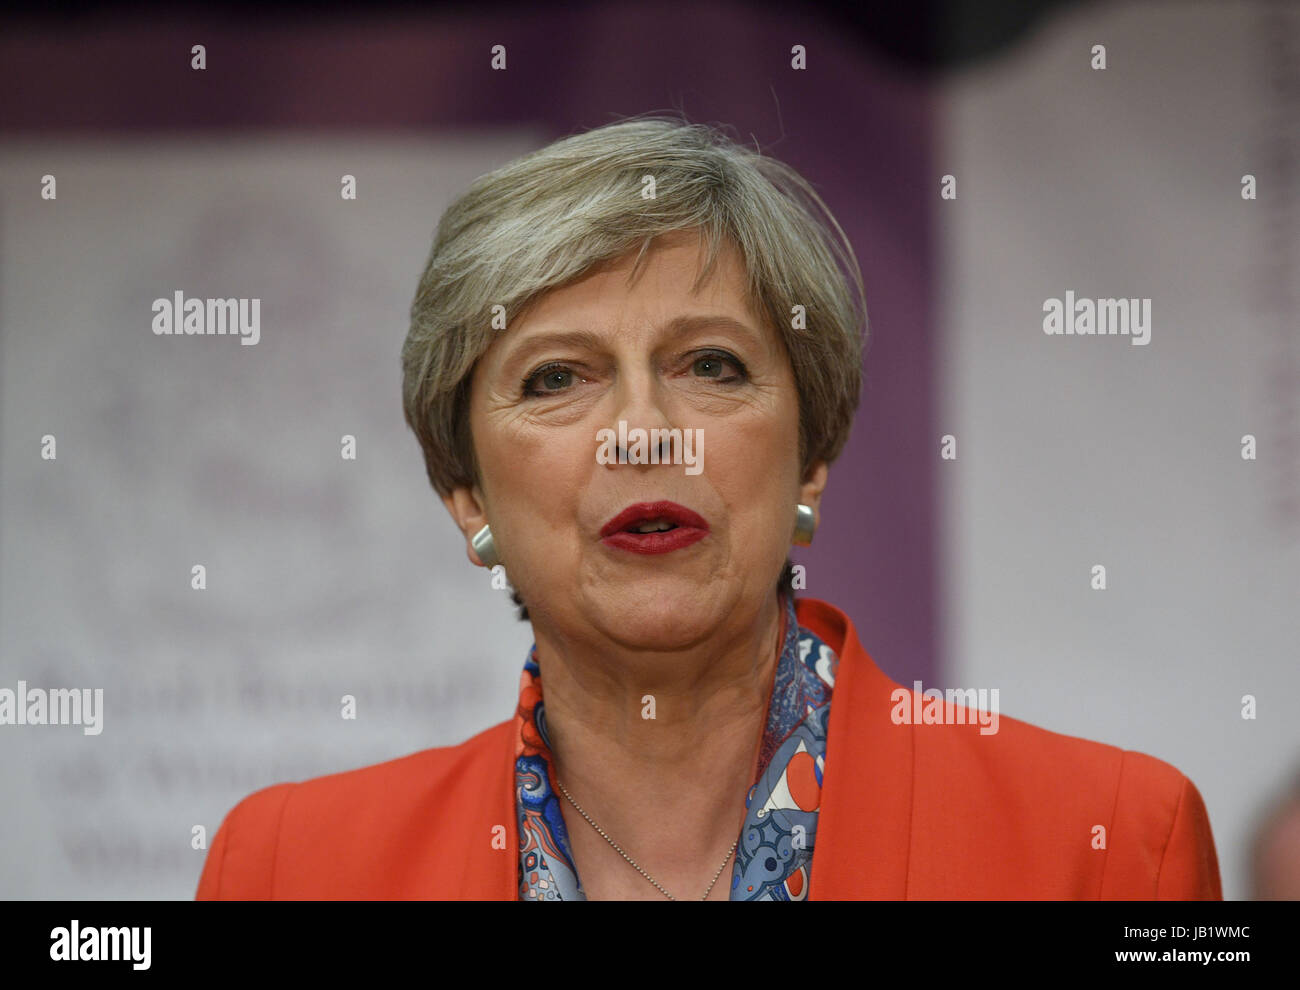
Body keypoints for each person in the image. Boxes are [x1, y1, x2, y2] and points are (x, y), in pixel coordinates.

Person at [196, 115, 1221, 900]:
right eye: (557, 378)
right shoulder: (290, 871)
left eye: (710, 365)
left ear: (810, 455)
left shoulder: (1114, 843)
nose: (644, 433)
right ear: (466, 490)